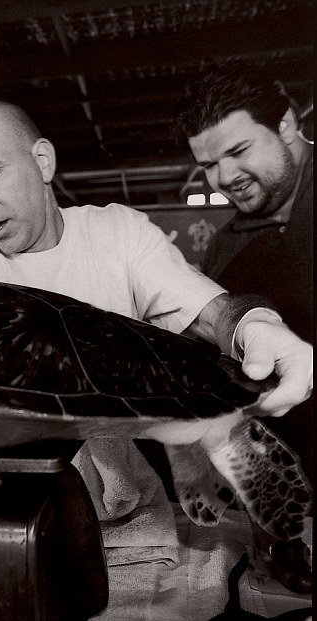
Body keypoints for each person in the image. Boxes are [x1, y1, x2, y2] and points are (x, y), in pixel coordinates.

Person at [0, 99, 313, 585]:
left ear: (42, 161)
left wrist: (254, 326)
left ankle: (280, 538)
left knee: (230, 415)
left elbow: (205, 309)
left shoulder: (116, 232)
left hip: (128, 445)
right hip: (11, 474)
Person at [173, 61, 313, 593]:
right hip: (282, 479)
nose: (224, 177)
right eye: (208, 164)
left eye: (238, 151)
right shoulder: (225, 248)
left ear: (285, 125)